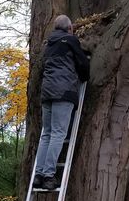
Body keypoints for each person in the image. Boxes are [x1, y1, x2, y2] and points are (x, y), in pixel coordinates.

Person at [32, 15, 90, 190]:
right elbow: (83, 64)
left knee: (46, 134)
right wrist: (85, 76)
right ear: (70, 28)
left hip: (47, 92)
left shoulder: (48, 45)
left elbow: (43, 68)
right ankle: (49, 175)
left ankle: (38, 174)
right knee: (58, 134)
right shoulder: (71, 40)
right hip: (64, 92)